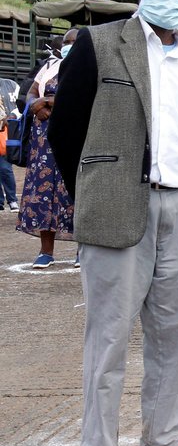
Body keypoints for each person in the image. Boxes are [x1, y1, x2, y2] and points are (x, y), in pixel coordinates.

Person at [48, 0, 178, 446]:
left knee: (175, 328)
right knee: (110, 334)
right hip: (117, 205)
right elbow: (65, 129)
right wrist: (94, 193)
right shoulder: (100, 46)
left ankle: (165, 439)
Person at [17, 27, 77, 267]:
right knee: (42, 193)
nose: (69, 45)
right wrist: (36, 105)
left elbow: (83, 95)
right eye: (66, 41)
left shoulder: (86, 66)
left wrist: (50, 101)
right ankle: (46, 252)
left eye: (74, 41)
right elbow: (30, 94)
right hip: (43, 143)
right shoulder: (48, 67)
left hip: (73, 136)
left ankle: (83, 250)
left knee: (74, 191)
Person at [0, 77, 21, 212]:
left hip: (3, 133)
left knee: (5, 168)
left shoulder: (11, 85)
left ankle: (12, 200)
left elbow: (19, 105)